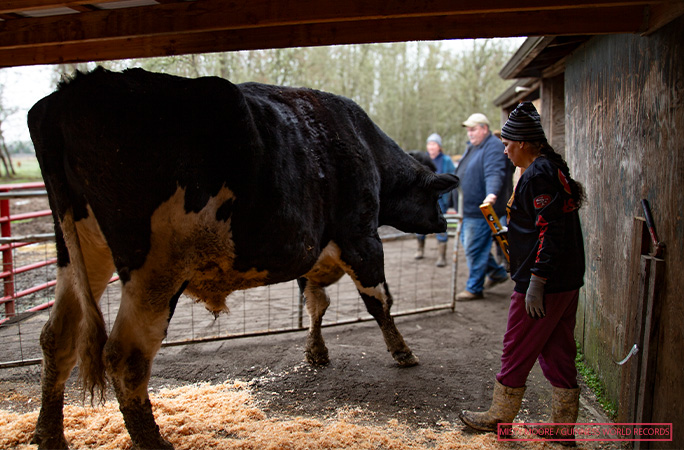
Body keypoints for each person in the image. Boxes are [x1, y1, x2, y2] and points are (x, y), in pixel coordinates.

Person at [459, 102, 586, 443]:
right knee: (557, 348)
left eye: (507, 143)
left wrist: (537, 283)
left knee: (517, 345)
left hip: (545, 282)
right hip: (566, 279)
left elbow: (552, 230)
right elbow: (542, 226)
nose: (504, 149)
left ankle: (499, 416)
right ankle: (563, 428)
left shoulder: (539, 175)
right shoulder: (545, 169)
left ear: (524, 143)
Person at [454, 113, 510, 300]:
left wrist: (491, 195)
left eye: (473, 129)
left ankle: (474, 287)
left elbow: (495, 172)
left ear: (484, 128)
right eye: (468, 130)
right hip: (468, 209)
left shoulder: (493, 147)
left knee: (473, 248)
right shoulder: (474, 147)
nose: (469, 133)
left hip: (481, 210)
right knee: (473, 245)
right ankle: (497, 273)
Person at [414, 133, 455, 267]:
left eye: (434, 144)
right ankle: (420, 249)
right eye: (429, 144)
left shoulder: (446, 160)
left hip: (440, 200)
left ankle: (441, 256)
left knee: (440, 225)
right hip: (423, 199)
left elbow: (452, 180)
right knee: (420, 224)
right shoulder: (422, 158)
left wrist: (450, 202)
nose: (431, 147)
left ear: (439, 146)